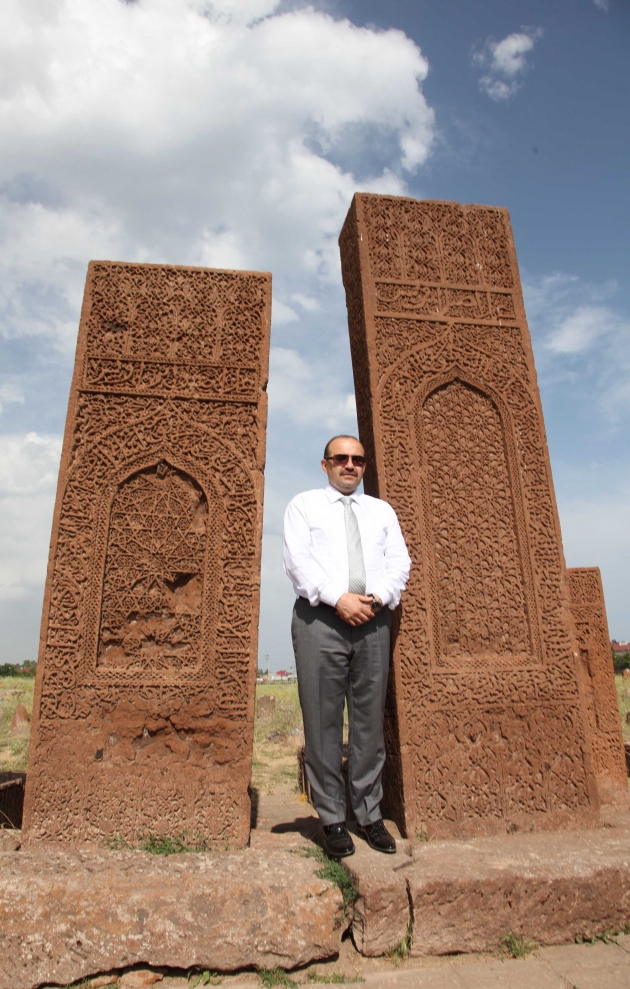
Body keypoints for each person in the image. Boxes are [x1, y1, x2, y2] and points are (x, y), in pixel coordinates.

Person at [282, 434, 411, 857]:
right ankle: (332, 818)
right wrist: (338, 598)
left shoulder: (381, 511)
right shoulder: (304, 506)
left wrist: (376, 598)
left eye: (357, 459)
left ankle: (369, 815)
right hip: (320, 617)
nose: (350, 465)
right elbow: (298, 561)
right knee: (322, 721)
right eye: (341, 458)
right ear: (325, 465)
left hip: (373, 618)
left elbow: (399, 562)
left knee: (368, 722)